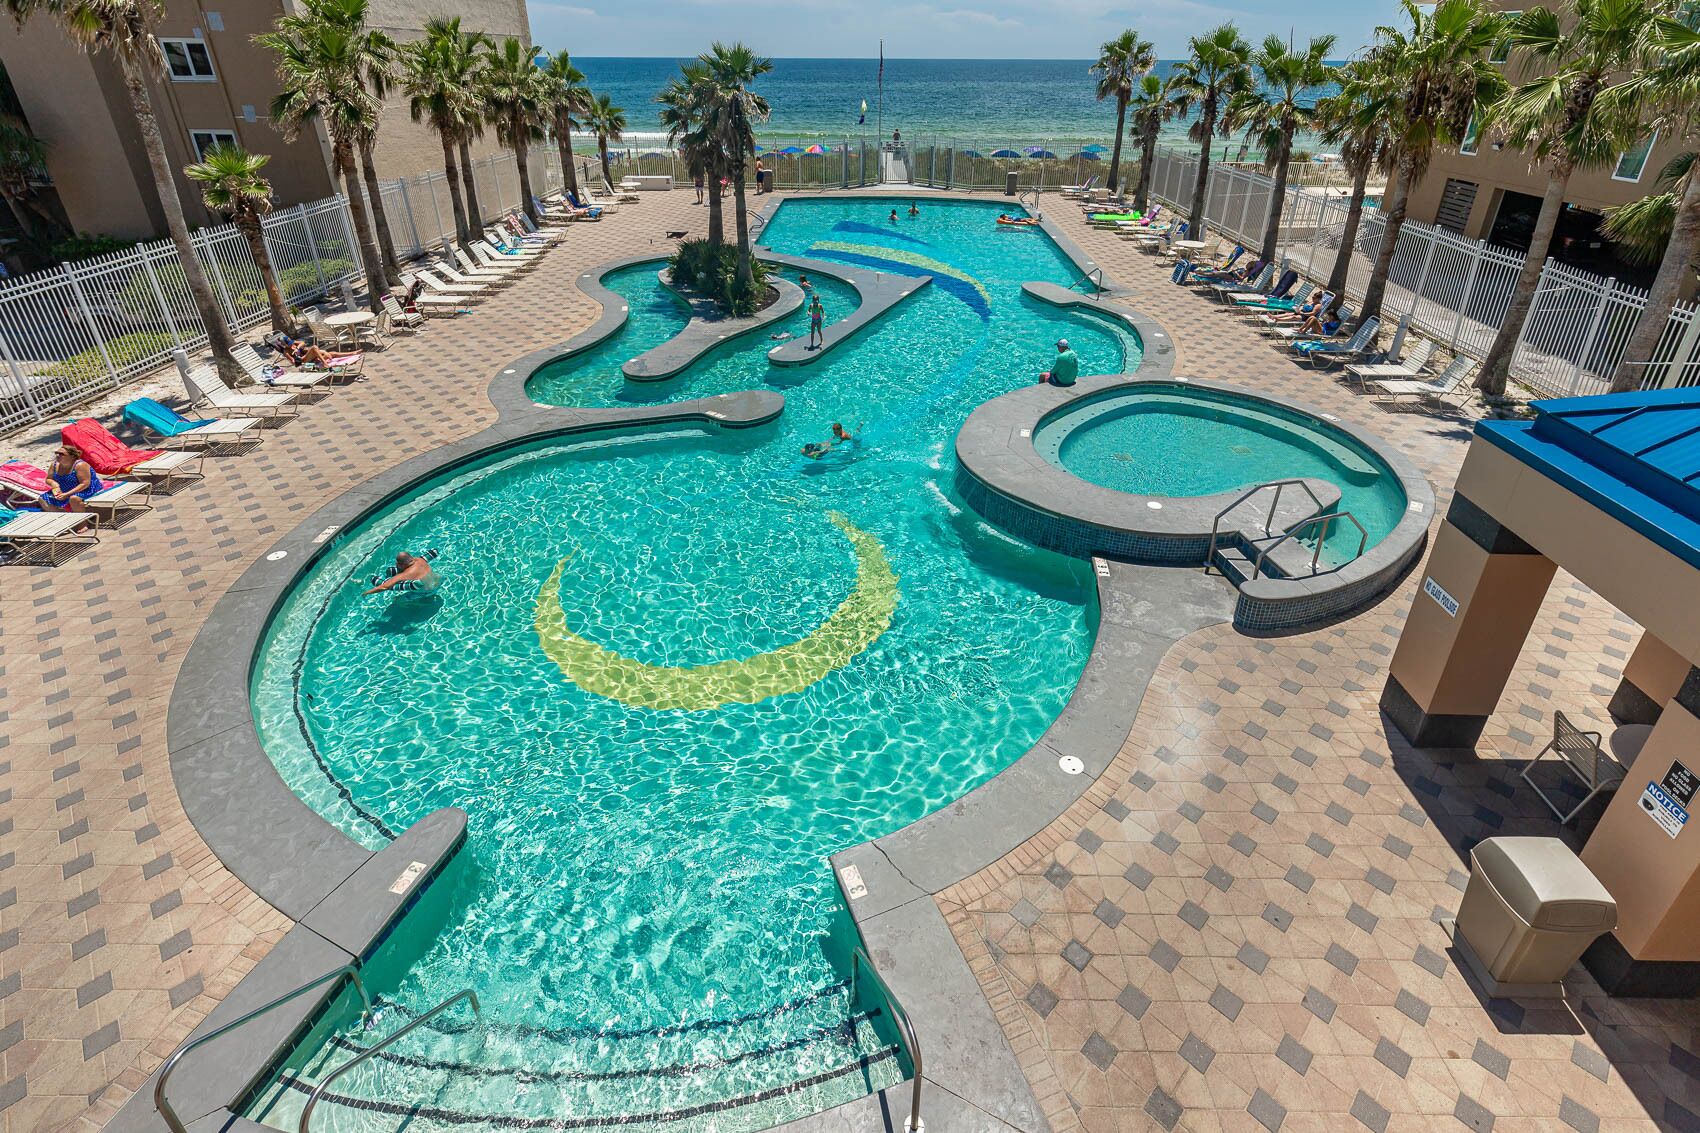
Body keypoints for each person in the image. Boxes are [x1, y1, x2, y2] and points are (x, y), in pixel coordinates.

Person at [38, 443, 102, 512]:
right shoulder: (54, 465)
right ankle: (63, 516)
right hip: (65, 489)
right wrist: (54, 484)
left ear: (72, 457)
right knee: (43, 498)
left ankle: (82, 521)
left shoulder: (80, 465)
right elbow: (48, 479)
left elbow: (85, 483)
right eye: (57, 453)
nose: (57, 455)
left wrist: (67, 494)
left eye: (61, 454)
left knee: (74, 499)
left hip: (85, 489)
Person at [363, 551, 440, 596]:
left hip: (425, 592)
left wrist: (367, 593)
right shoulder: (420, 560)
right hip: (437, 582)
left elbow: (384, 587)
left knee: (398, 601)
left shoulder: (405, 574)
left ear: (401, 564)